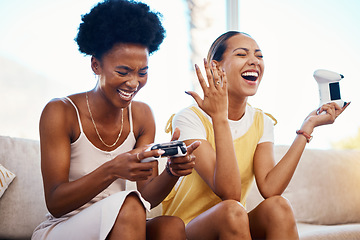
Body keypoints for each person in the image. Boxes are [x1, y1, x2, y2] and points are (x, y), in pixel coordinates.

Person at [31, 0, 199, 239]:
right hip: (65, 227)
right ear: (96, 65)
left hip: (123, 223)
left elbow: (147, 197)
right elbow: (56, 203)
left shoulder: (142, 116)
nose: (133, 83)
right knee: (130, 206)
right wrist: (112, 170)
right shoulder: (61, 111)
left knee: (169, 227)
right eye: (123, 72)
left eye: (142, 72)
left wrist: (171, 172)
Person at [162, 31, 350, 240]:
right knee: (232, 210)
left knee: (278, 206)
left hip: (236, 223)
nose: (254, 61)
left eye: (259, 56)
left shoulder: (261, 121)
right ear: (216, 67)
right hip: (189, 229)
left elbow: (271, 188)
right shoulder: (190, 118)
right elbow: (229, 193)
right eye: (242, 55)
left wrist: (308, 127)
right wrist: (220, 117)